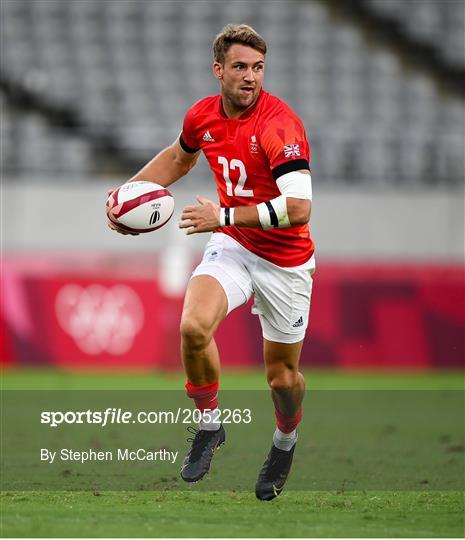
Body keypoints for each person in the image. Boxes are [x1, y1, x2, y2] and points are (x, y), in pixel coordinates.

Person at [108, 24, 315, 501]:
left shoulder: (280, 125)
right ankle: (209, 425)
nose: (250, 77)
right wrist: (128, 195)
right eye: (240, 67)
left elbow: (299, 209)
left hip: (286, 261)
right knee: (193, 328)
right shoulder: (202, 116)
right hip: (234, 246)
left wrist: (220, 213)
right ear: (218, 70)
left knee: (282, 379)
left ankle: (285, 441)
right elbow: (179, 161)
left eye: (258, 68)